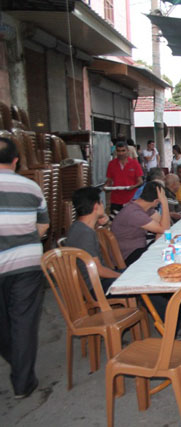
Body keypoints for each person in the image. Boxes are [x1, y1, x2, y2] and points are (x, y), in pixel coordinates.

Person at [0, 136, 49, 399]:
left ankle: (19, 367)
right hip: (26, 263)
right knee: (23, 323)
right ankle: (23, 382)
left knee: (6, 324)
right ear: (16, 160)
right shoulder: (31, 188)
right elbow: (43, 226)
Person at [66, 187, 121, 293]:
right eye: (101, 202)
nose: (103, 205)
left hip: (97, 281)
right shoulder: (84, 233)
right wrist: (122, 276)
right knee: (141, 282)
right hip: (96, 287)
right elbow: (98, 270)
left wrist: (100, 221)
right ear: (96, 206)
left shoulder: (79, 227)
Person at [111, 182, 170, 266]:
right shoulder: (134, 213)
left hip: (138, 247)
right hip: (128, 255)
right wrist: (165, 203)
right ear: (156, 201)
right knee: (166, 255)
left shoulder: (143, 206)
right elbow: (165, 229)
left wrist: (160, 231)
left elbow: (164, 224)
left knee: (165, 246)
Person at [106, 141, 143, 214]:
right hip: (116, 200)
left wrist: (134, 186)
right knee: (115, 222)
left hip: (131, 200)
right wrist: (106, 187)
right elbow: (109, 181)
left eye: (123, 150)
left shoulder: (134, 164)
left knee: (131, 222)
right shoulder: (111, 164)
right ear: (116, 151)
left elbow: (140, 181)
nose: (121, 153)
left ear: (128, 151)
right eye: (118, 151)